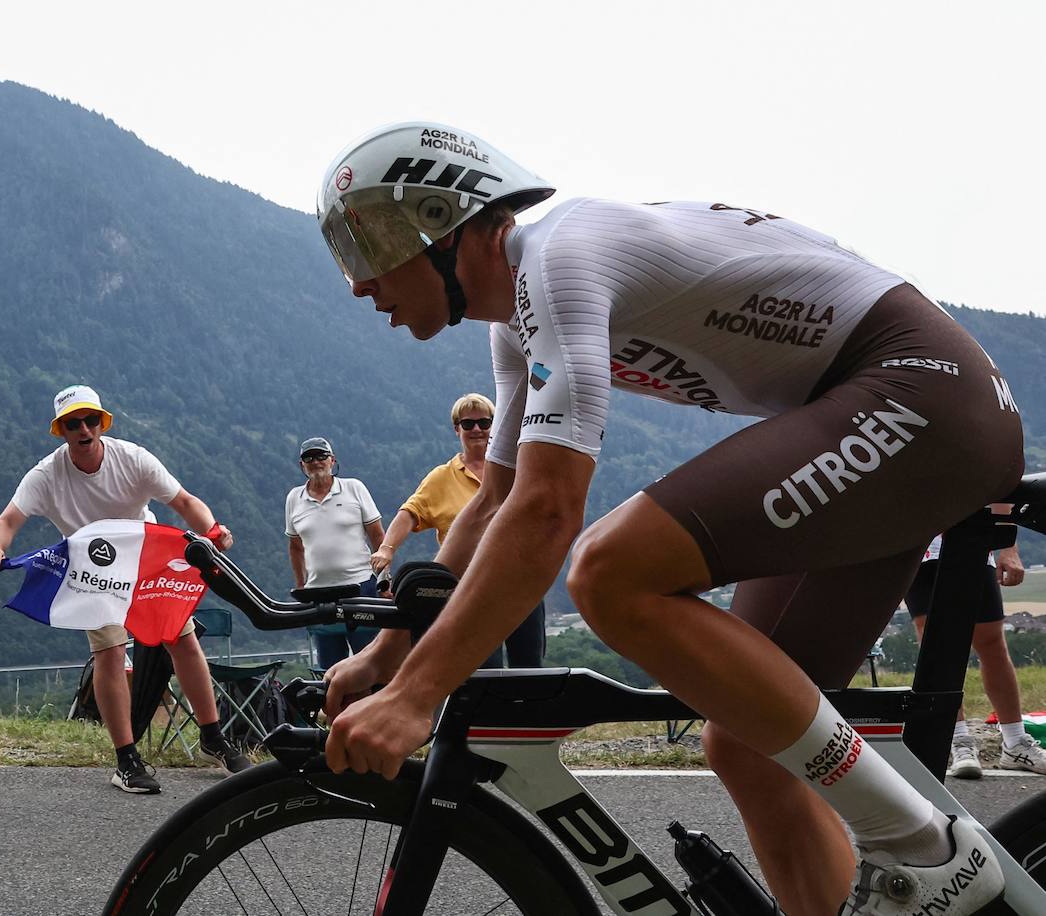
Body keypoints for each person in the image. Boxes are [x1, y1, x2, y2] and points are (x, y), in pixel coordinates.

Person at [315, 122, 1023, 915]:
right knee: (750, 741)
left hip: (926, 392)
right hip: (891, 413)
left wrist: (418, 696)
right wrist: (390, 652)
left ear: (444, 220)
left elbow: (549, 512)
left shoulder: (559, 256)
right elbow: (496, 501)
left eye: (369, 244)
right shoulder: (513, 323)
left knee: (610, 571)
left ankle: (923, 847)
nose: (357, 281)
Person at [0, 385, 249, 795]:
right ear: (62, 431)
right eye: (74, 423)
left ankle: (214, 739)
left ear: (102, 424)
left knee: (183, 640)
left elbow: (187, 503)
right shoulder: (46, 474)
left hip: (145, 560)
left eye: (91, 421)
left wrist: (210, 535)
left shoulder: (133, 458)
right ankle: (126, 760)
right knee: (109, 652)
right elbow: (7, 520)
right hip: (92, 571)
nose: (84, 429)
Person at [371, 392, 545, 668]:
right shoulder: (442, 477)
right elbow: (409, 513)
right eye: (468, 424)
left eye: (484, 423)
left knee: (529, 666)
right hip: (468, 588)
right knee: (481, 670)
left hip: (520, 582)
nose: (476, 429)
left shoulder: (517, 467)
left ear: (495, 426)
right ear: (457, 429)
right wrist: (387, 548)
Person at [905, 529, 1046, 778]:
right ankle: (958, 740)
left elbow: (1000, 492)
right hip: (918, 540)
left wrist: (1008, 548)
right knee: (935, 640)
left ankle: (1015, 742)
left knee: (991, 640)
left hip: (974, 537)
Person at [285, 437, 386, 670]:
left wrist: (384, 581)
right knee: (330, 669)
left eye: (321, 456)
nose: (316, 461)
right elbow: (295, 546)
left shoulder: (354, 488)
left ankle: (372, 707)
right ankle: (338, 708)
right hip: (319, 594)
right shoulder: (294, 498)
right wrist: (301, 587)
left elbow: (379, 538)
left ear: (332, 461)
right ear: (302, 465)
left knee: (369, 665)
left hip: (361, 587)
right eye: (308, 458)